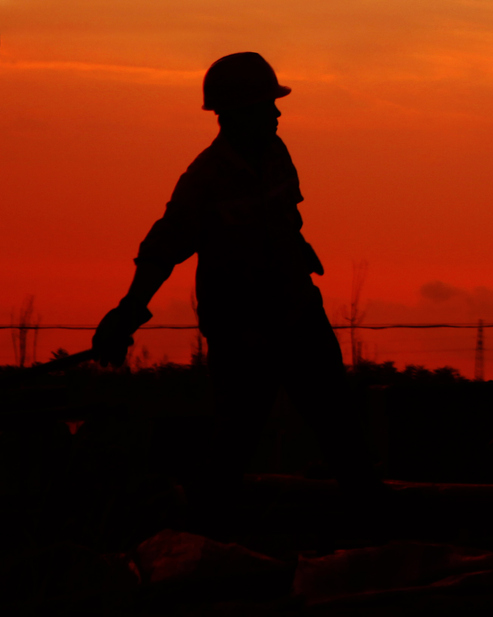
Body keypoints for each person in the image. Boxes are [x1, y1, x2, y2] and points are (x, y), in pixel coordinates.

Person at [89, 52, 368, 491]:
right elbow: (162, 248)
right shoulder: (205, 180)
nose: (277, 112)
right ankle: (207, 534)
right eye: (266, 104)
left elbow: (286, 215)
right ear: (237, 113)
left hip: (296, 315)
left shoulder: (275, 152)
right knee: (235, 441)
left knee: (340, 428)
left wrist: (297, 249)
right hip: (243, 331)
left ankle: (365, 522)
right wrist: (128, 312)